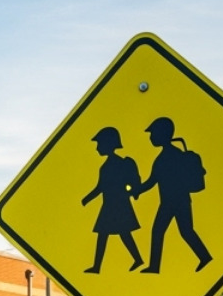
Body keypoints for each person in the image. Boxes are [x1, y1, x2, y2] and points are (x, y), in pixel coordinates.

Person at [134, 116, 212, 273]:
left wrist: (136, 191)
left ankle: (155, 266)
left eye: (152, 134)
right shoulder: (170, 155)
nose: (150, 137)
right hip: (181, 200)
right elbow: (153, 181)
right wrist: (136, 191)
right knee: (185, 231)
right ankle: (204, 257)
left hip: (172, 202)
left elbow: (151, 182)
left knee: (160, 231)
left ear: (162, 135)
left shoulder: (164, 158)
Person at [79, 126, 144, 273]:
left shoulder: (117, 165)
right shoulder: (106, 166)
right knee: (112, 234)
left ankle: (134, 259)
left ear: (108, 144)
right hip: (110, 205)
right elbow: (100, 187)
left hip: (117, 206)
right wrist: (86, 199)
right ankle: (100, 266)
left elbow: (105, 187)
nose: (97, 148)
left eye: (99, 144)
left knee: (117, 234)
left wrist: (129, 193)